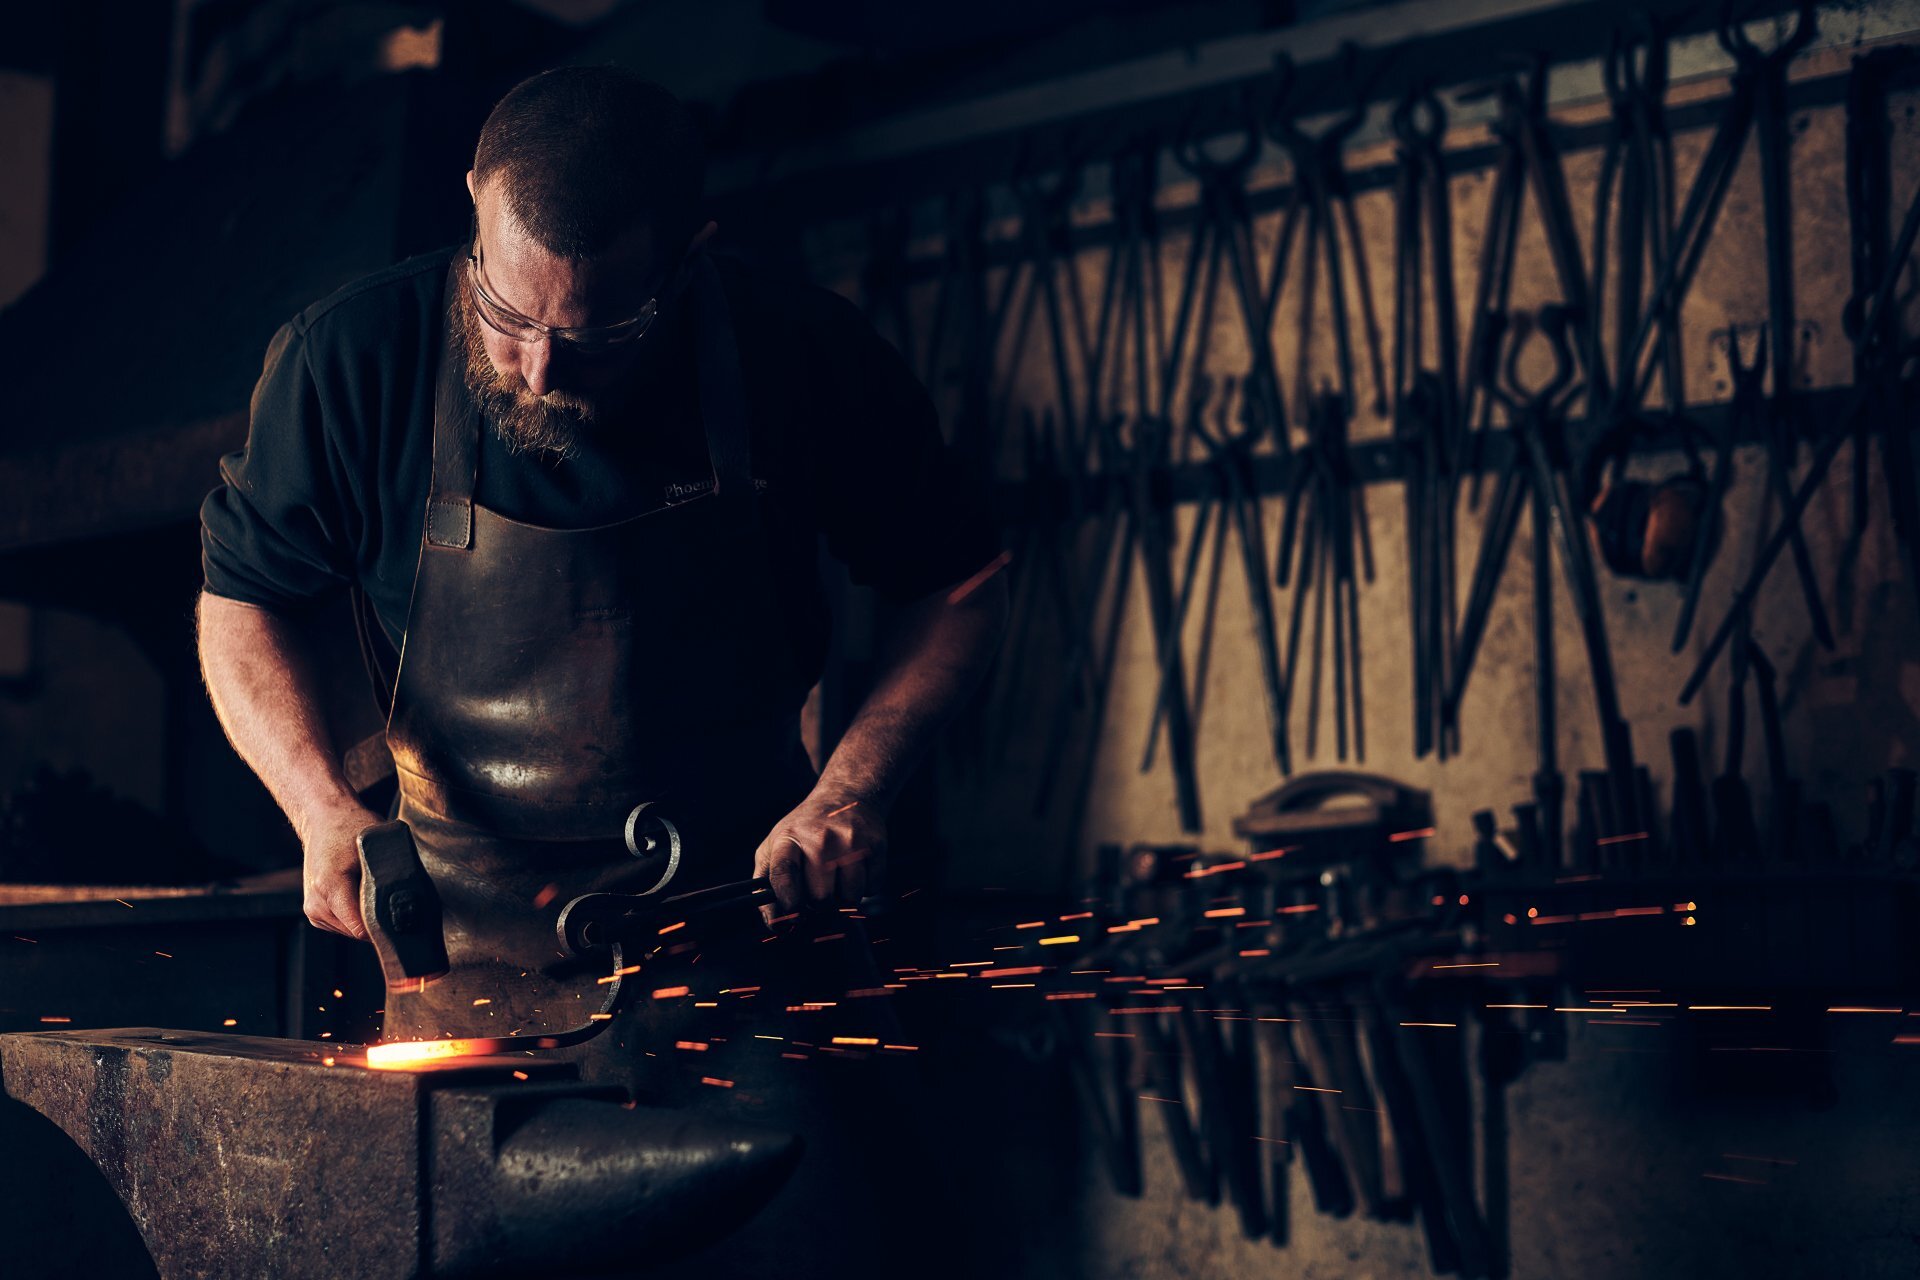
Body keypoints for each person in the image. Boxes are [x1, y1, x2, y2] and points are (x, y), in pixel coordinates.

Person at [196, 65, 1007, 1272]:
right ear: (473, 202)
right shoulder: (351, 360)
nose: (538, 372)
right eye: (507, 314)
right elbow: (241, 604)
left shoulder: (801, 355)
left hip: (740, 942)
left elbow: (960, 581)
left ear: (690, 261)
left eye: (598, 334)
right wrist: (318, 808)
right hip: (459, 967)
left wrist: (850, 791)